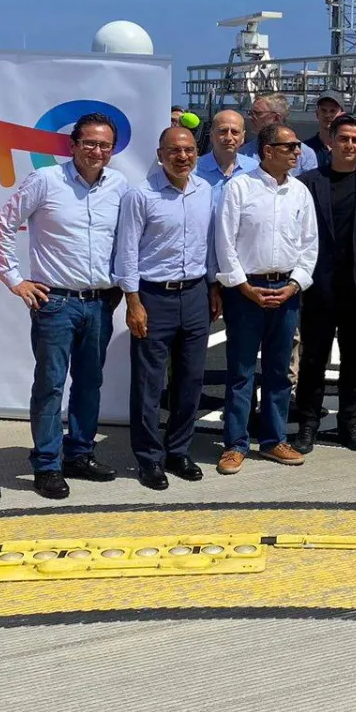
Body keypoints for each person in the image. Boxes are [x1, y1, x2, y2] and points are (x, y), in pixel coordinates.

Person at [0, 111, 129, 500]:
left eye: (105, 145)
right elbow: (3, 224)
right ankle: (48, 464)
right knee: (51, 385)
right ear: (72, 146)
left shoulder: (119, 185)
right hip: (56, 303)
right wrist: (14, 279)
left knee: (90, 383)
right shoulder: (46, 180)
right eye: (89, 143)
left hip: (101, 303)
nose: (97, 151)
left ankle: (80, 454)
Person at [113, 126, 220, 491]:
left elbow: (208, 244)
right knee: (148, 384)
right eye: (174, 151)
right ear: (160, 155)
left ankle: (178, 451)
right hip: (153, 297)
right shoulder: (140, 196)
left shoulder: (204, 191)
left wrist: (213, 286)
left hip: (194, 295)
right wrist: (133, 301)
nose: (183, 156)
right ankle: (148, 459)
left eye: (189, 150)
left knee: (190, 380)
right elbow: (126, 251)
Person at [214, 122, 319, 474]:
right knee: (241, 370)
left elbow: (309, 246)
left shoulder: (301, 192)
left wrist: (295, 284)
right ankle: (235, 444)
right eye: (289, 147)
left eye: (297, 147)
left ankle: (274, 440)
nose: (297, 152)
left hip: (286, 290)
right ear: (268, 151)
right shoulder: (239, 188)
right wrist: (243, 286)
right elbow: (224, 242)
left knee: (279, 371)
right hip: (246, 290)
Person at [295, 115, 356, 452]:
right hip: (318, 286)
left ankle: (348, 424)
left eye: (355, 140)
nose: (349, 145)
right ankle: (307, 423)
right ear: (331, 142)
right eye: (343, 139)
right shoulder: (309, 182)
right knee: (313, 359)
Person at [240, 93, 319, 176]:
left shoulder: (304, 154)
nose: (251, 117)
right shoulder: (243, 153)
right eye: (251, 113)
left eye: (258, 113)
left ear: (276, 118)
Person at [195, 108, 258, 194]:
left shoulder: (254, 169)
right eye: (223, 131)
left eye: (235, 132)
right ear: (211, 135)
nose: (228, 138)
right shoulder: (194, 171)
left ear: (242, 137)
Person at [304, 90, 345, 167]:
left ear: (342, 115)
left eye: (333, 111)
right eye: (323, 110)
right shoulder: (305, 149)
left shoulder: (349, 149)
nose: (327, 115)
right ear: (317, 114)